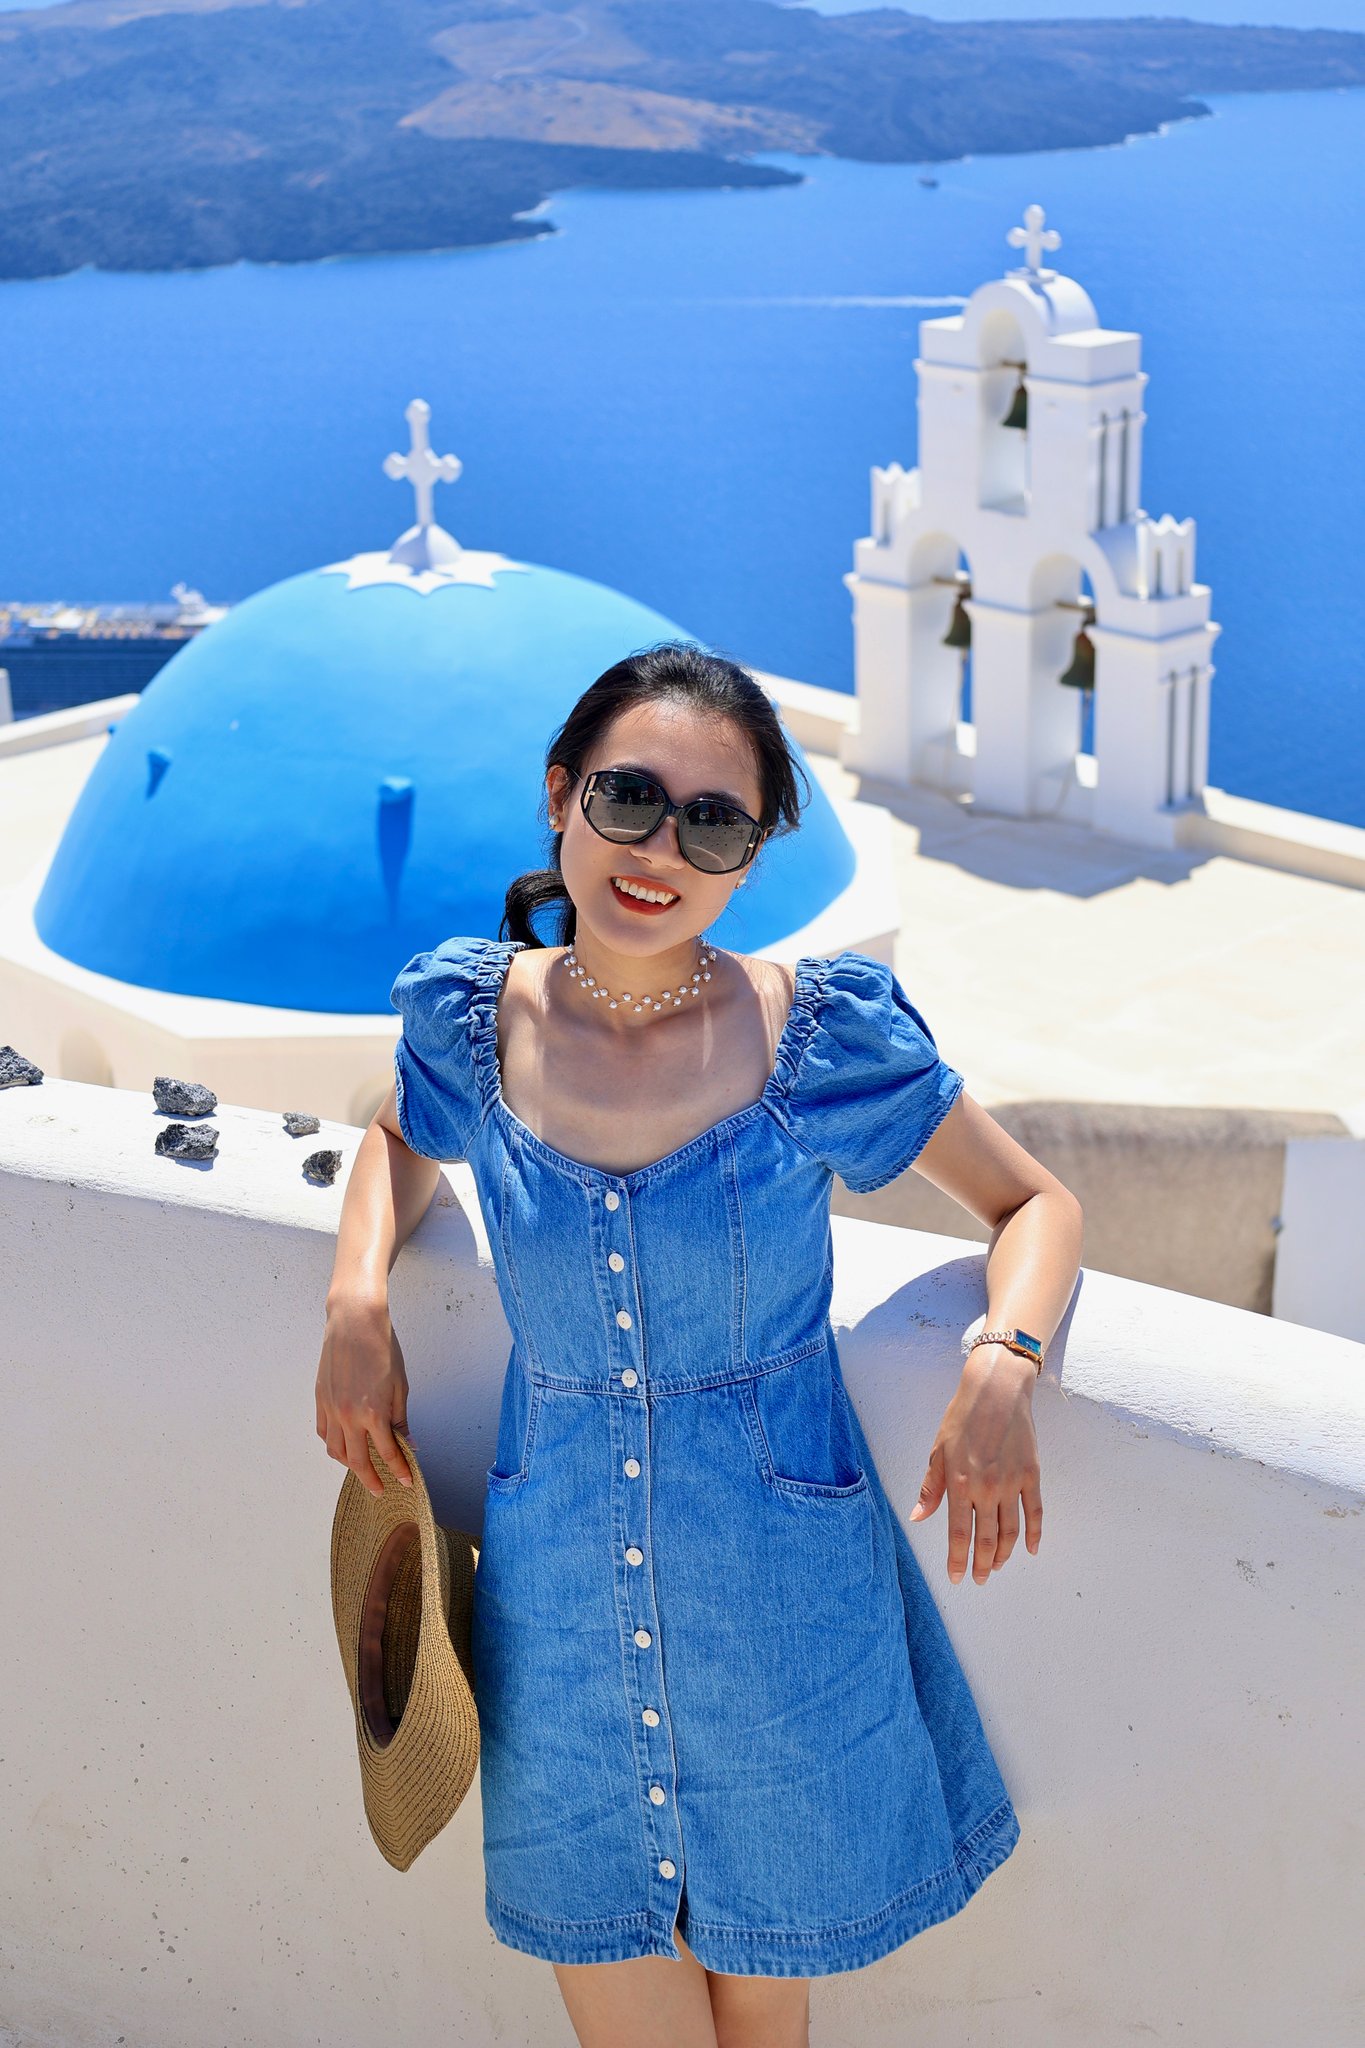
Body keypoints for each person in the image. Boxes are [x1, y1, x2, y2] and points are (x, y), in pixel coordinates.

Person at [317, 641, 1084, 2048]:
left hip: (781, 1593)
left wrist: (1001, 1361)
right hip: (552, 1592)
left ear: (746, 859)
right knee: (615, 1987)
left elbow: (1032, 1201)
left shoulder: (814, 1038)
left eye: (712, 821)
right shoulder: (471, 1022)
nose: (660, 847)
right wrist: (356, 1299)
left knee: (760, 1994)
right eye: (627, 798)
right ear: (560, 798)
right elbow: (396, 1134)